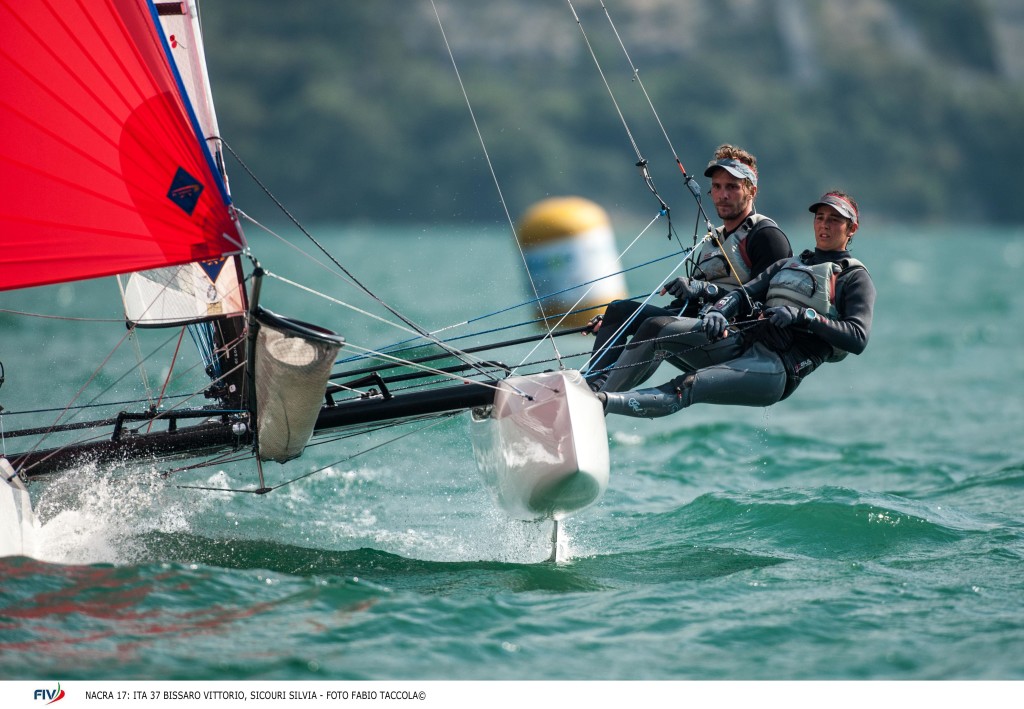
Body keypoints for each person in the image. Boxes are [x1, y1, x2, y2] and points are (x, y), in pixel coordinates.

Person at [597, 190, 875, 419]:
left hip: (777, 369)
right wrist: (720, 310)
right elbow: (743, 294)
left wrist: (805, 316)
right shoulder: (788, 265)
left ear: (852, 229)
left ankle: (602, 403)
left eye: (835, 220)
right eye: (820, 217)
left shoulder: (854, 278)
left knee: (687, 386)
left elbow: (858, 338)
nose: (824, 225)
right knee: (657, 326)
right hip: (744, 345)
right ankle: (593, 392)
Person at [585, 144, 792, 390]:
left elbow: (767, 308)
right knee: (619, 312)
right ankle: (590, 383)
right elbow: (687, 307)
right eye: (717, 187)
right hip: (697, 326)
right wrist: (620, 324)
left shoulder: (766, 237)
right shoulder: (714, 239)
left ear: (752, 191)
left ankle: (601, 390)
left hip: (735, 337)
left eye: (732, 187)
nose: (722, 195)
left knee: (656, 327)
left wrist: (704, 290)